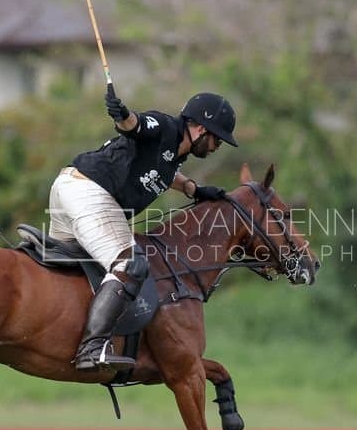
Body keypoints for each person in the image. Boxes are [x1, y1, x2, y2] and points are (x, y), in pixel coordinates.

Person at [50, 84, 238, 371]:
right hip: (90, 193)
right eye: (217, 140)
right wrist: (122, 114)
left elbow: (167, 171)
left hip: (68, 189)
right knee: (130, 266)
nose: (216, 147)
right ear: (200, 128)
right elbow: (135, 126)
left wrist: (193, 189)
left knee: (70, 270)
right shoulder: (164, 127)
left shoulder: (174, 153)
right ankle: (92, 347)